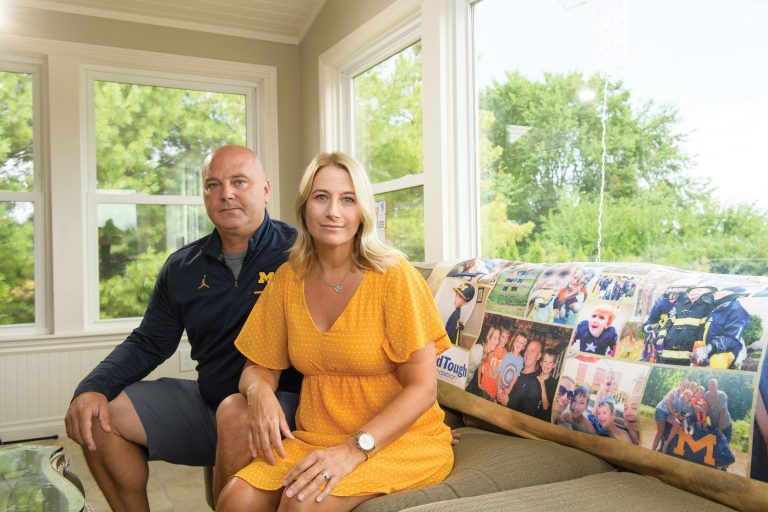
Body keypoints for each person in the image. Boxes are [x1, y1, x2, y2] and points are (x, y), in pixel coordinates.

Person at [64, 145, 302, 511]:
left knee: (236, 411)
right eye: (213, 185)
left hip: (280, 409)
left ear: (265, 189)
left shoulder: (301, 253)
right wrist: (92, 387)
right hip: (208, 404)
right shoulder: (183, 266)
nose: (227, 193)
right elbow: (149, 342)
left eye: (240, 181)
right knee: (98, 416)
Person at [216, 152, 453, 512]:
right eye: (321, 197)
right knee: (236, 499)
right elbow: (258, 367)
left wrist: (354, 449)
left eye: (348, 199)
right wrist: (259, 391)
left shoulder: (394, 276)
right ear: (305, 206)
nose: (333, 212)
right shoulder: (288, 279)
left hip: (395, 440)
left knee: (302, 503)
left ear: (363, 212)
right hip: (317, 436)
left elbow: (423, 388)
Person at [691, 287, 751, 369]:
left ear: (732, 295)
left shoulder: (737, 310)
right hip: (705, 348)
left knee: (717, 362)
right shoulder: (711, 306)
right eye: (719, 291)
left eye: (725, 292)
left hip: (727, 350)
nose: (718, 293)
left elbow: (731, 338)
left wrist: (708, 349)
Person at [503, 339, 544, 416]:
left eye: (532, 351)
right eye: (526, 350)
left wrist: (508, 403)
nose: (527, 354)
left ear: (538, 356)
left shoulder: (534, 384)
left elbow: (528, 415)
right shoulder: (517, 370)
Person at [651, 379, 688, 452]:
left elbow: (679, 411)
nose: (683, 386)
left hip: (669, 413)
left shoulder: (680, 398)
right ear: (680, 384)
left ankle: (666, 443)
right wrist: (675, 414)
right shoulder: (674, 391)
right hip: (661, 410)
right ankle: (652, 451)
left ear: (686, 388)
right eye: (683, 384)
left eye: (685, 386)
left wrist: (681, 417)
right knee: (660, 431)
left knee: (677, 423)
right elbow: (669, 405)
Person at [495, 332, 527, 405]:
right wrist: (498, 387)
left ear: (523, 347)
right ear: (514, 343)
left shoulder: (521, 360)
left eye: (521, 343)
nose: (519, 344)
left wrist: (509, 389)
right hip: (499, 386)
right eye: (517, 341)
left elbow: (516, 376)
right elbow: (500, 372)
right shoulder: (507, 355)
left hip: (507, 389)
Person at [477, 325, 506, 400]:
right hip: (484, 388)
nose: (504, 340)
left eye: (507, 337)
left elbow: (501, 373)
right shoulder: (487, 349)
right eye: (502, 337)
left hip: (493, 393)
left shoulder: (505, 353)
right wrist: (479, 382)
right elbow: (480, 365)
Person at [705, 378, 733, 443]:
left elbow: (722, 412)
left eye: (713, 385)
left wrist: (720, 428)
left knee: (725, 446)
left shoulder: (722, 395)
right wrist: (703, 421)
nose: (711, 386)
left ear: (717, 386)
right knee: (715, 446)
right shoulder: (706, 395)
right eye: (710, 385)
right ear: (708, 386)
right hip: (714, 425)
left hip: (725, 425)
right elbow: (705, 409)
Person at [534, 349, 559, 422]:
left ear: (554, 365)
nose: (547, 365)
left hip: (540, 419)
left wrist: (543, 385)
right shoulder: (534, 376)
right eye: (545, 361)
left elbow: (545, 407)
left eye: (550, 362)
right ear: (541, 363)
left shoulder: (554, 384)